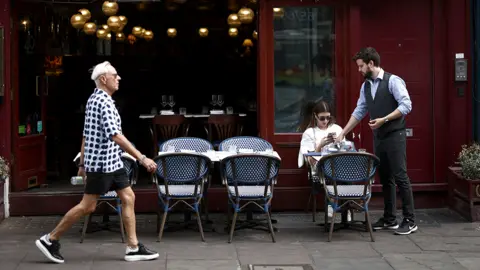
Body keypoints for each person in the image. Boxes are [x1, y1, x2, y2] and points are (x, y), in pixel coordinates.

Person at [35, 61, 160, 263]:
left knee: (128, 197)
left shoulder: (96, 99)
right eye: (115, 75)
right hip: (102, 164)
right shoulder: (102, 101)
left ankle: (133, 247)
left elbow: (86, 135)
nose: (119, 78)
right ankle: (50, 239)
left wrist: (82, 164)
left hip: (113, 162)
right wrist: (142, 158)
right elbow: (116, 136)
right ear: (104, 79)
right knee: (88, 206)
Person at [334, 47, 417, 235]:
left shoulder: (393, 81)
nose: (359, 70)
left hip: (395, 134)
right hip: (379, 137)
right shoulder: (366, 86)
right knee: (385, 178)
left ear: (371, 63)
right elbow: (360, 110)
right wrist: (343, 132)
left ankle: (410, 220)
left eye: (361, 66)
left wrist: (384, 119)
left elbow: (406, 105)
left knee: (401, 177)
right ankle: (390, 219)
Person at [297, 100, 345, 218]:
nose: (325, 121)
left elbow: (345, 150)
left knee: (347, 171)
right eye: (322, 118)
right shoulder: (309, 133)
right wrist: (320, 146)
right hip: (319, 170)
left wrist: (338, 143)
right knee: (332, 170)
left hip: (337, 166)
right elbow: (310, 160)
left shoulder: (337, 129)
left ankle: (345, 206)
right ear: (315, 116)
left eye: (328, 118)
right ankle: (336, 204)